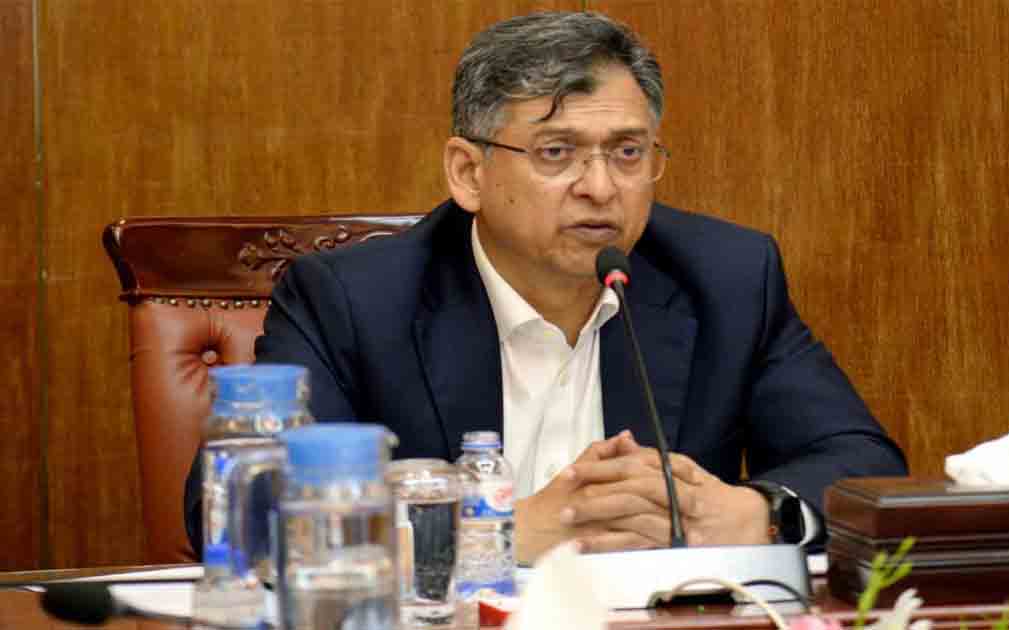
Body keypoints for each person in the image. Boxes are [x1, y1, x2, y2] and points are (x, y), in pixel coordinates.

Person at [184, 11, 907, 563]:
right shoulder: (353, 300)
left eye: (628, 152)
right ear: (469, 173)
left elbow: (863, 464)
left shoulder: (727, 277)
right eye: (557, 152)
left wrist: (756, 514)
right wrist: (501, 530)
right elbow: (248, 510)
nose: (600, 188)